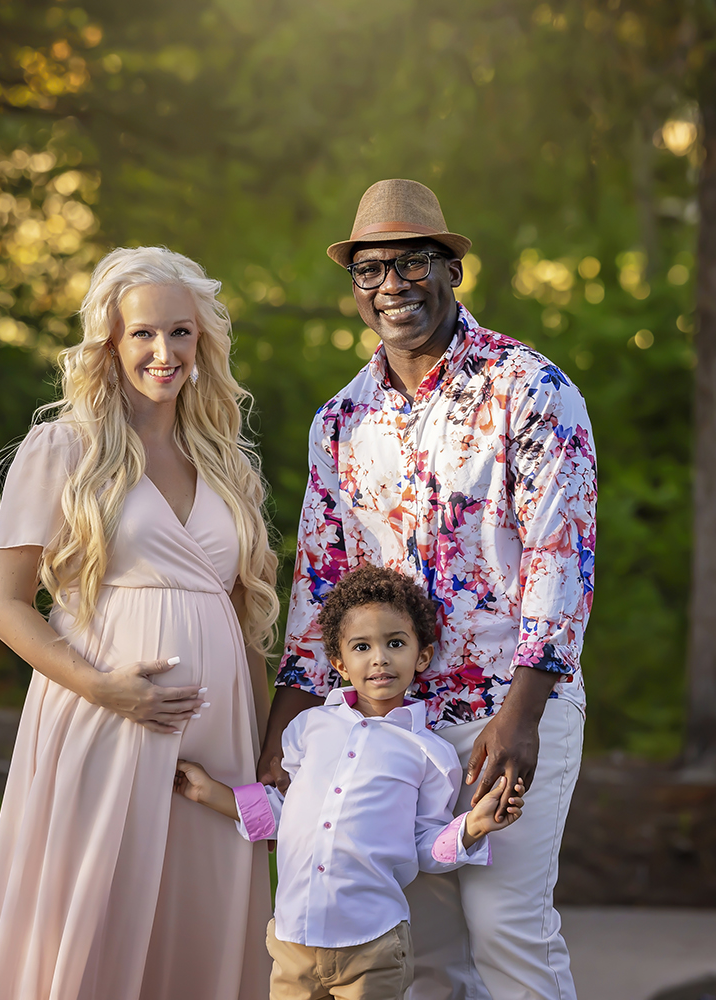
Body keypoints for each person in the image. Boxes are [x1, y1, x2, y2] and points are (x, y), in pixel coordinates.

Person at [261, 179, 597, 1000]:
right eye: (370, 270)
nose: (392, 286)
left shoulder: (531, 389)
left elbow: (563, 558)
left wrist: (524, 717)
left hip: (502, 711)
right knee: (428, 954)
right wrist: (286, 726)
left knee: (509, 931)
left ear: (452, 270)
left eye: (413, 263)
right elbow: (320, 581)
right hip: (384, 726)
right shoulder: (340, 420)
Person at [0, 246, 279, 1000]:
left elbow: (243, 620)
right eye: (142, 333)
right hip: (104, 720)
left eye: (180, 333)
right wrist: (106, 689)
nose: (163, 352)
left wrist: (269, 751)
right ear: (110, 340)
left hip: (221, 746)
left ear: (201, 341)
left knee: (200, 932)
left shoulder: (227, 464)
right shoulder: (64, 449)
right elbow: (0, 604)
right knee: (97, 920)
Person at [175, 564, 526, 1000]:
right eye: (362, 646)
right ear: (340, 663)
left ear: (421, 656)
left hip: (372, 944)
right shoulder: (307, 729)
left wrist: (472, 826)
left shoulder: (430, 755)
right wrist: (210, 793)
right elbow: (287, 815)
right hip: (293, 941)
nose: (379, 658)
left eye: (395, 643)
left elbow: (421, 845)